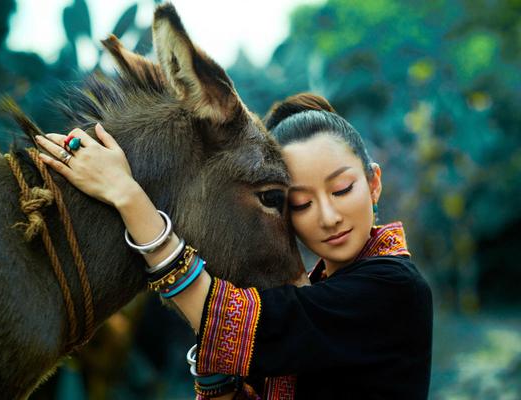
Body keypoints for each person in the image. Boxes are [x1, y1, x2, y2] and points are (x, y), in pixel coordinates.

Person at [34, 93, 433, 399]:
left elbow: (228, 320)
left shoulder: (395, 288)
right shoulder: (319, 296)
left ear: (374, 183)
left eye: (343, 189)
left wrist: (127, 195)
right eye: (302, 204)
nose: (328, 217)